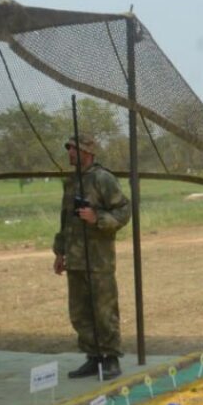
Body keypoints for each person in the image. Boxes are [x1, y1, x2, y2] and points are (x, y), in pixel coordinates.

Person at [52, 134, 131, 380]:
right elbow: (65, 219)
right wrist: (60, 251)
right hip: (75, 258)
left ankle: (111, 358)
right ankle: (93, 357)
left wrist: (98, 218)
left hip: (98, 259)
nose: (70, 153)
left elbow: (124, 210)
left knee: (104, 311)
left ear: (87, 152)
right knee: (80, 312)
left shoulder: (102, 178)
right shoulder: (71, 181)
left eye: (74, 149)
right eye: (69, 149)